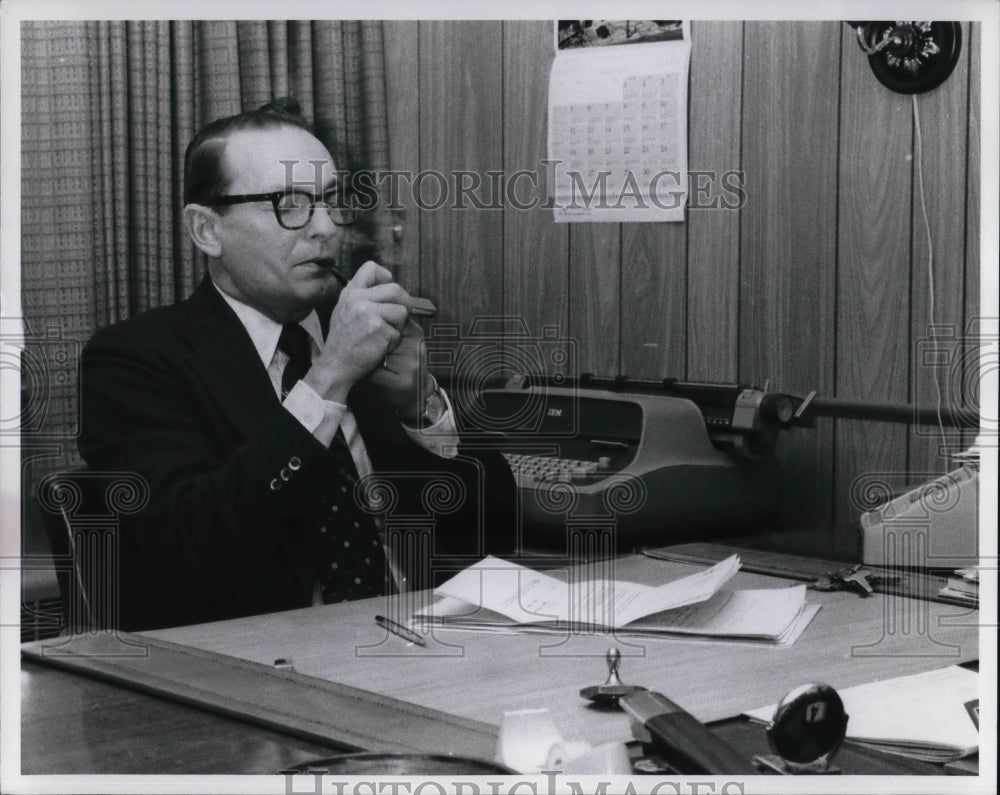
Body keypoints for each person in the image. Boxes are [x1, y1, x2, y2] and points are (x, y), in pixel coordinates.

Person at [78, 98, 516, 631]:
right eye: (291, 205)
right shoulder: (133, 360)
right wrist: (328, 378)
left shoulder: (364, 332)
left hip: (418, 645)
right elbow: (189, 546)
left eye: (332, 201)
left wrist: (420, 409)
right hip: (255, 670)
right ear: (207, 230)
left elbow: (489, 531)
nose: (326, 227)